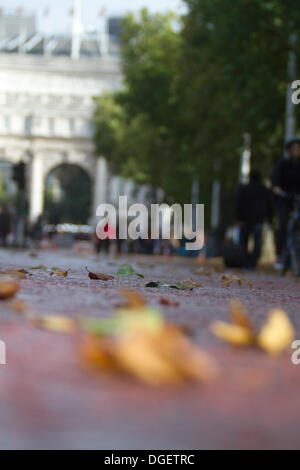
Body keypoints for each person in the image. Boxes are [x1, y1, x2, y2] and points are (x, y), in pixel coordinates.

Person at [271, 137, 300, 269]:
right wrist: (277, 188)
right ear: (289, 150)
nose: (297, 151)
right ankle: (279, 256)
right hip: (284, 199)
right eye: (294, 148)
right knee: (283, 225)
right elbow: (275, 181)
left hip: (297, 198)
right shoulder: (282, 164)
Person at [236, 169, 273, 269]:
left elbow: (239, 204)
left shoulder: (244, 188)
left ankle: (243, 261)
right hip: (259, 219)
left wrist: (238, 218)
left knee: (243, 242)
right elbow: (269, 205)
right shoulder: (265, 190)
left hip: (245, 220)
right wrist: (269, 219)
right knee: (257, 243)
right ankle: (252, 263)